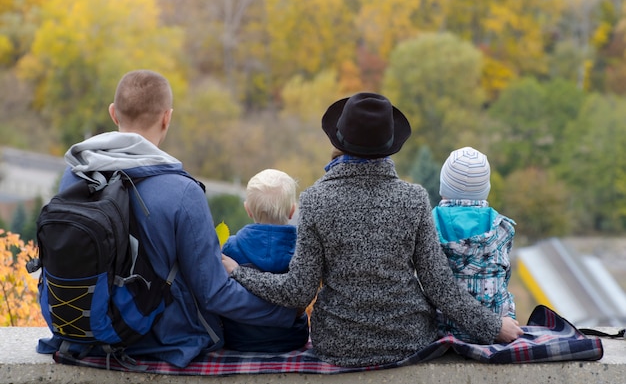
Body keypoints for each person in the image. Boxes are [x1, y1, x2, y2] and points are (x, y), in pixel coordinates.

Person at [222, 92, 523, 367]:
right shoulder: (414, 198)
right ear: (389, 146)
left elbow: (298, 292)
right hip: (408, 340)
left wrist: (239, 272)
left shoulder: (315, 200)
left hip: (338, 344)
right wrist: (493, 325)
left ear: (338, 141)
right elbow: (438, 285)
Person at [37, 70, 298, 367]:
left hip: (79, 330)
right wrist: (285, 313)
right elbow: (215, 294)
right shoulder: (182, 192)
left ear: (113, 113)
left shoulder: (75, 174)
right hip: (155, 341)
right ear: (167, 118)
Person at [432, 146, 517, 341]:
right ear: (485, 189)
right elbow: (504, 278)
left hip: (441, 329)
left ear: (443, 185)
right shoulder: (503, 228)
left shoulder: (428, 224)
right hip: (498, 331)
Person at [220, 168, 309, 352]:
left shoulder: (231, 248)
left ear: (248, 210)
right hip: (291, 338)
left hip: (238, 338)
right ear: (292, 210)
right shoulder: (301, 252)